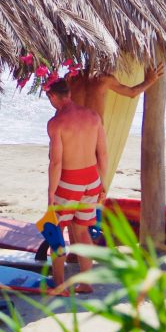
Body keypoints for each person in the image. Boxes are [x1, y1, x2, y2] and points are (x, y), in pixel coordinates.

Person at [36, 78, 108, 295]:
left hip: (68, 183)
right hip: (91, 180)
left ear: (53, 97)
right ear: (69, 93)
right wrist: (103, 185)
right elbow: (102, 154)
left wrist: (50, 192)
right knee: (82, 230)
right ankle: (86, 283)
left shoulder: (56, 123)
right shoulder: (93, 117)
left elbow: (56, 162)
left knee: (56, 232)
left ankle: (59, 284)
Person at [67, 63, 165, 121]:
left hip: (73, 126)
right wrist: (150, 80)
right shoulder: (105, 79)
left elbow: (62, 102)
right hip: (94, 129)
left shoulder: (71, 77)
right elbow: (132, 92)